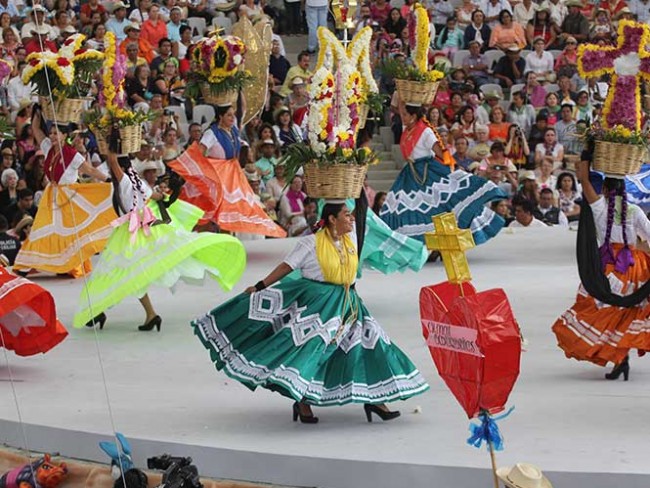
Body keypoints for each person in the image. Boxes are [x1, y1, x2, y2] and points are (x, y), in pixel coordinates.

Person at [191, 200, 429, 423]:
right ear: (332, 219)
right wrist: (261, 286)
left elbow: (361, 209)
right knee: (314, 350)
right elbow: (286, 267)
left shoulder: (352, 239)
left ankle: (376, 400)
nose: (351, 219)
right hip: (319, 305)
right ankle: (302, 402)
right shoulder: (310, 243)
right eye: (346, 215)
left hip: (349, 302)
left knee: (370, 344)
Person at [73, 141, 246, 331]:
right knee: (129, 272)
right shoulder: (138, 181)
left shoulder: (123, 180)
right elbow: (156, 197)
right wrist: (165, 195)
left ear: (120, 168)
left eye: (114, 168)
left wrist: (111, 138)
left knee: (120, 271)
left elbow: (113, 161)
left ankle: (119, 311)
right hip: (142, 225)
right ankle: (139, 314)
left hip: (132, 230)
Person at [552, 159, 650, 381]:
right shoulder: (634, 211)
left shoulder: (599, 207)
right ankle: (620, 358)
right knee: (625, 315)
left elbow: (585, 181)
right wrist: (640, 246)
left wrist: (584, 160)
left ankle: (619, 359)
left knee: (602, 312)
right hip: (635, 268)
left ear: (605, 189)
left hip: (608, 267)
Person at [380, 103, 505, 244]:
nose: (402, 117)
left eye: (405, 115)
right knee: (403, 206)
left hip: (428, 170)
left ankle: (439, 242)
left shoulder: (425, 131)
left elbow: (440, 152)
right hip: (411, 172)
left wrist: (452, 168)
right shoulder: (408, 130)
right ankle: (418, 244)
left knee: (442, 205)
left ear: (413, 116)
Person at [13, 110, 115, 278]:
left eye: (55, 133)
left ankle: (69, 266)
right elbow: (37, 130)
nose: (52, 136)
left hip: (69, 197)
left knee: (67, 232)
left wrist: (108, 180)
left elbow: (89, 170)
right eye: (51, 133)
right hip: (51, 195)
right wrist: (37, 111)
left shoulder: (71, 154)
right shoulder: (48, 148)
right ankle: (25, 264)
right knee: (41, 228)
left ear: (64, 135)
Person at [168, 104, 287, 237]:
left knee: (231, 210)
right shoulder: (212, 133)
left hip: (232, 174)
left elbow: (240, 142)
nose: (232, 118)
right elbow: (199, 152)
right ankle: (194, 238)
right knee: (210, 211)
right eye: (229, 115)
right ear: (220, 116)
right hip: (217, 174)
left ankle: (227, 241)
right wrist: (200, 172)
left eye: (233, 115)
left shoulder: (233, 131)